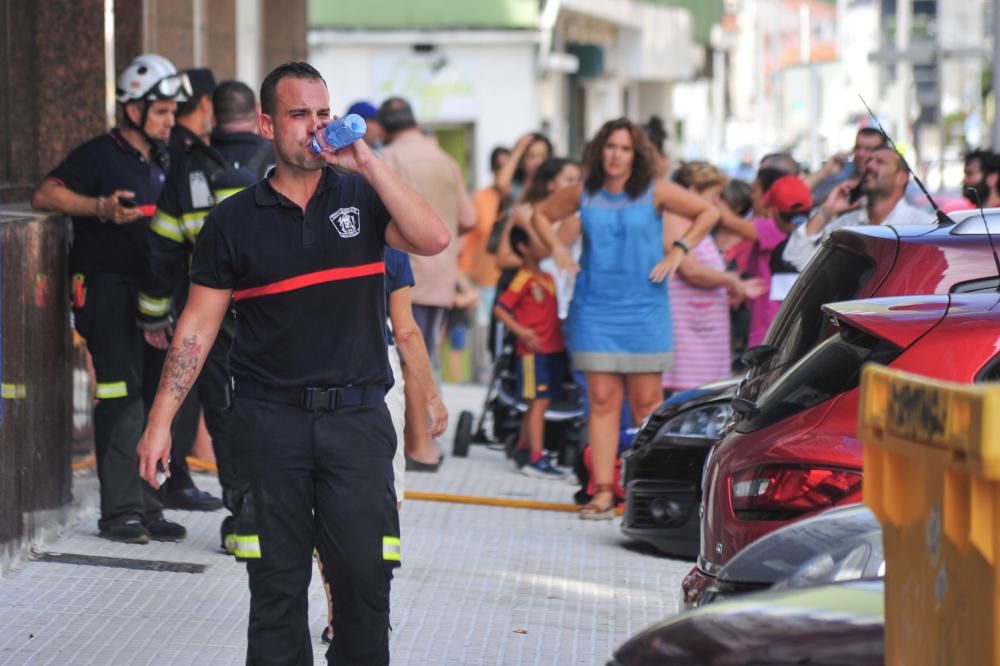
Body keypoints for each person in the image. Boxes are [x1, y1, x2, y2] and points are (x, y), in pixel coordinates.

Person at [136, 61, 450, 664]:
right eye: (299, 114)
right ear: (266, 124)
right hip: (267, 425)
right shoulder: (232, 221)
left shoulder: (365, 196)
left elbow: (433, 238)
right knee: (275, 593)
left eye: (323, 114)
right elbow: (196, 330)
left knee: (365, 586)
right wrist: (158, 424)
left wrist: (366, 162)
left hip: (356, 423)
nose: (314, 127)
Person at [31, 53, 190, 544]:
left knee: (153, 397)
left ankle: (148, 504)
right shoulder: (99, 155)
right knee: (121, 398)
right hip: (107, 292)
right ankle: (119, 512)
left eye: (172, 111)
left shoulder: (167, 158)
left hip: (153, 298)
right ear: (134, 110)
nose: (170, 121)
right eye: (161, 111)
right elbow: (45, 196)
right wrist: (98, 207)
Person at [532, 118, 720, 520]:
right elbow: (538, 217)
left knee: (647, 404)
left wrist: (679, 251)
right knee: (601, 401)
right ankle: (602, 491)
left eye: (625, 148)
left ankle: (642, 491)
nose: (616, 155)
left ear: (637, 155)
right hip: (595, 309)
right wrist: (559, 253)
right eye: (611, 147)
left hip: (645, 310)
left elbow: (707, 212)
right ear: (600, 151)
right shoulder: (584, 193)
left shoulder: (656, 191)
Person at [140, 79, 275, 541]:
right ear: (258, 113)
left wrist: (155, 313)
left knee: (225, 417)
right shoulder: (280, 162)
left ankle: (243, 523)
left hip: (211, 316)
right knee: (279, 414)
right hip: (276, 318)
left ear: (211, 115)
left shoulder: (187, 168)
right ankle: (275, 519)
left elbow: (161, 249)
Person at [319, 245, 447, 645]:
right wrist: (431, 396)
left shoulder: (311, 233)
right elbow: (405, 330)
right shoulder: (391, 251)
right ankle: (373, 611)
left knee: (323, 500)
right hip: (378, 375)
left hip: (314, 370)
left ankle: (338, 615)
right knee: (383, 498)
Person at [377, 96, 476, 471]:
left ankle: (421, 447)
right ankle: (423, 443)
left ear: (384, 128)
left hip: (407, 269)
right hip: (441, 275)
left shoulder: (388, 158)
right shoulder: (447, 162)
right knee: (423, 353)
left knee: (407, 356)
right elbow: (469, 219)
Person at [144, 66, 223, 513]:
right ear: (208, 104)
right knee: (181, 387)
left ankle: (177, 475)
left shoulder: (180, 152)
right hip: (185, 293)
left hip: (183, 292)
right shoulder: (190, 156)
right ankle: (173, 478)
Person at [662, 162, 764, 392]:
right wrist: (732, 281)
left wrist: (731, 286)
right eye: (714, 195)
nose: (717, 202)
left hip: (703, 340)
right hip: (686, 344)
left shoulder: (695, 223)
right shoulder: (673, 219)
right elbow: (689, 269)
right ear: (693, 191)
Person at [493, 226, 568, 479]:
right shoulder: (523, 277)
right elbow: (501, 308)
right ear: (524, 247)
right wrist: (522, 332)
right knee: (537, 402)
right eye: (538, 239)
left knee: (540, 402)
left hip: (552, 349)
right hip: (531, 352)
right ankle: (537, 457)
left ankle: (524, 449)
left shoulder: (546, 277)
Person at [782, 146, 931, 271]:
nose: (870, 166)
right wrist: (827, 210)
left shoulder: (924, 226)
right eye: (868, 161)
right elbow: (796, 259)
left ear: (902, 177)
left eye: (880, 162)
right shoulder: (845, 226)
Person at [804, 127, 888, 202]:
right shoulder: (842, 172)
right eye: (857, 147)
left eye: (868, 149)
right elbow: (797, 194)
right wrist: (825, 171)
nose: (860, 154)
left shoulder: (885, 184)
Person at [497, 132, 553, 202]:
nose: (538, 162)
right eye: (531, 157)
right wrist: (518, 150)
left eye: (543, 156)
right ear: (521, 160)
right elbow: (502, 185)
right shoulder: (516, 187)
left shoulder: (552, 186)